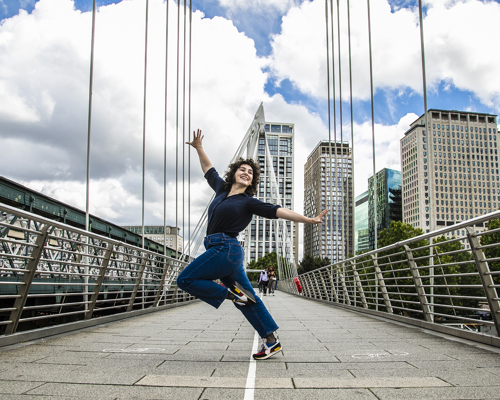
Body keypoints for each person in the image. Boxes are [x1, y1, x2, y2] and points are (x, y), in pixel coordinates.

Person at [177, 129, 328, 360]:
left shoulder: (249, 202)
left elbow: (279, 211)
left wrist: (309, 220)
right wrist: (199, 148)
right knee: (249, 297)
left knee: (185, 279)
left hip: (225, 249)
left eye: (250, 172)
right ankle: (271, 342)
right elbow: (209, 170)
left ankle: (232, 294)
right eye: (242, 169)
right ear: (234, 173)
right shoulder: (221, 190)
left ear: (252, 180)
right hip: (225, 253)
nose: (246, 173)